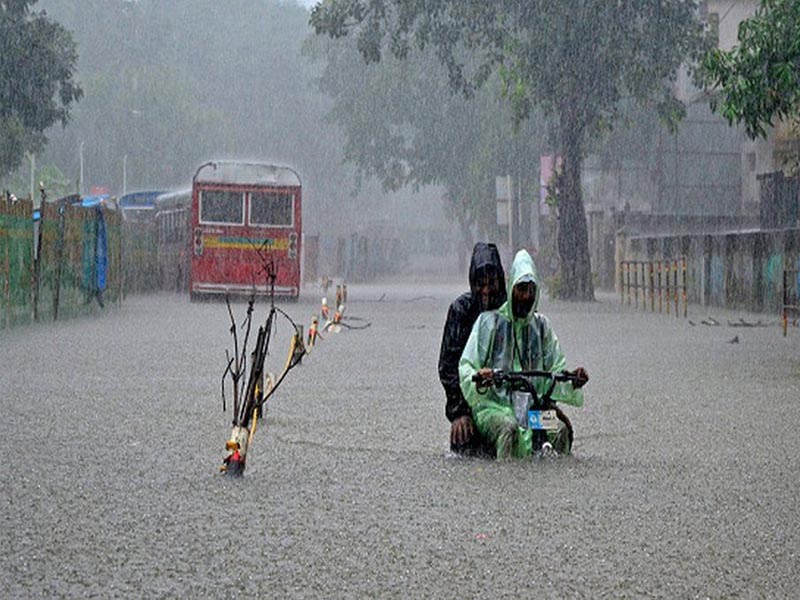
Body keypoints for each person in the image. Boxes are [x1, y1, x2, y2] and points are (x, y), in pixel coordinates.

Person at [458, 249, 589, 458]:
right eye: (521, 289)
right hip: (495, 408)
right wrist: (480, 379)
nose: (526, 296)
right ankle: (506, 484)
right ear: (511, 289)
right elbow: (466, 366)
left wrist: (573, 380)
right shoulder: (488, 323)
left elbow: (555, 371)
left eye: (531, 290)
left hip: (533, 412)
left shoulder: (542, 327)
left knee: (560, 431)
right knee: (508, 430)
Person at [438, 242, 506, 455]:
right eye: (480, 284)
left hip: (510, 399)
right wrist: (459, 412)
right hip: (472, 403)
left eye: (492, 283)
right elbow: (448, 367)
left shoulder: (512, 309)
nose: (486, 291)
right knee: (465, 438)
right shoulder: (461, 311)